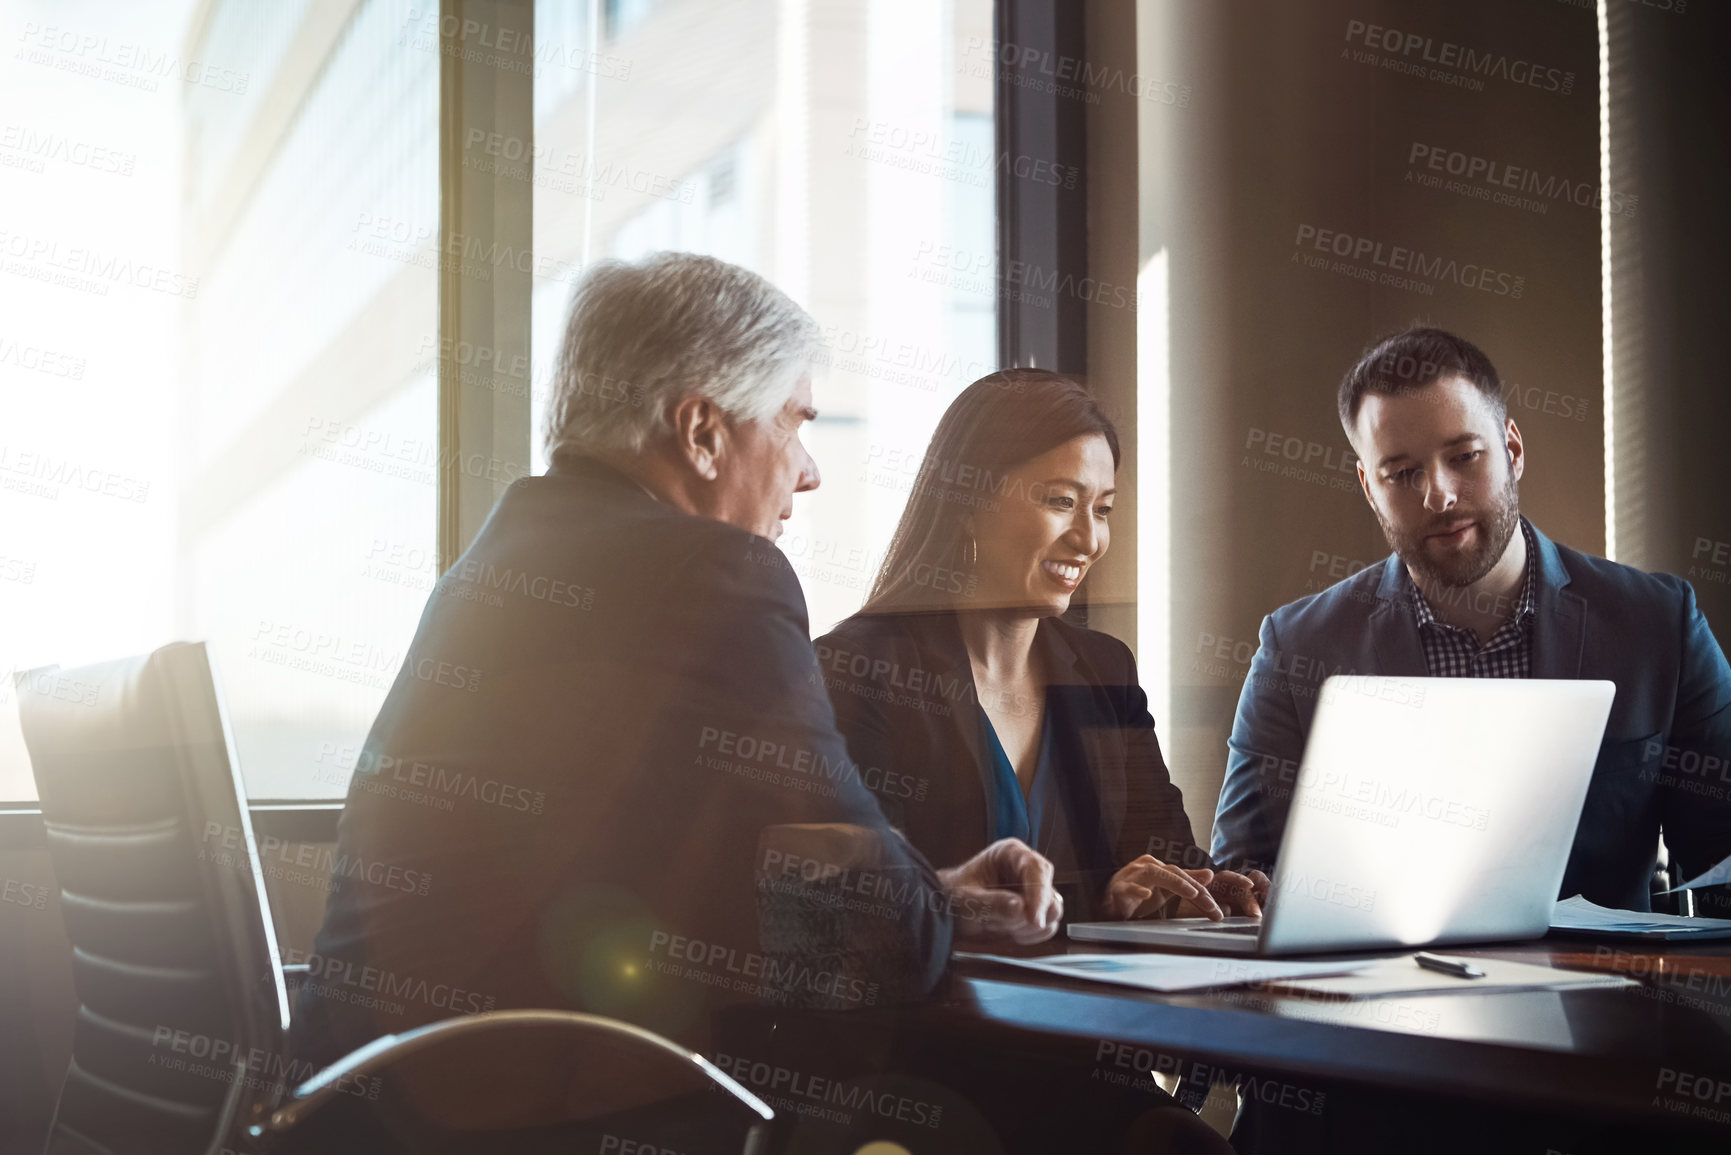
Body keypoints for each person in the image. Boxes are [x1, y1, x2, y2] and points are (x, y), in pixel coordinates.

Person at [286, 254, 1065, 1148]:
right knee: (948, 1127)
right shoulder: (712, 574)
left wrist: (935, 895)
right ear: (701, 431)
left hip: (361, 1098)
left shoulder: (507, 557)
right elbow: (881, 931)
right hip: (506, 1112)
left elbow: (660, 884)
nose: (807, 473)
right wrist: (931, 906)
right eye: (795, 424)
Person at [1211, 327, 1731, 916]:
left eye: (1463, 457)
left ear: (1511, 450)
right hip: (1369, 998)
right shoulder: (1296, 644)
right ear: (1368, 486)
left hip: (1604, 999)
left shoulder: (1658, 624)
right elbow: (1238, 880)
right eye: (1402, 473)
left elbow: (1721, 862)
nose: (1438, 494)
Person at [817, 369, 1267, 924]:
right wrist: (1098, 908)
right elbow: (864, 903)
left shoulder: (1105, 669)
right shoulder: (857, 670)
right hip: (939, 1006)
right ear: (967, 503)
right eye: (1061, 501)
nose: (1089, 538)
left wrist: (1208, 889)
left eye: (1102, 509)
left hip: (1091, 1004)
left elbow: (1168, 858)